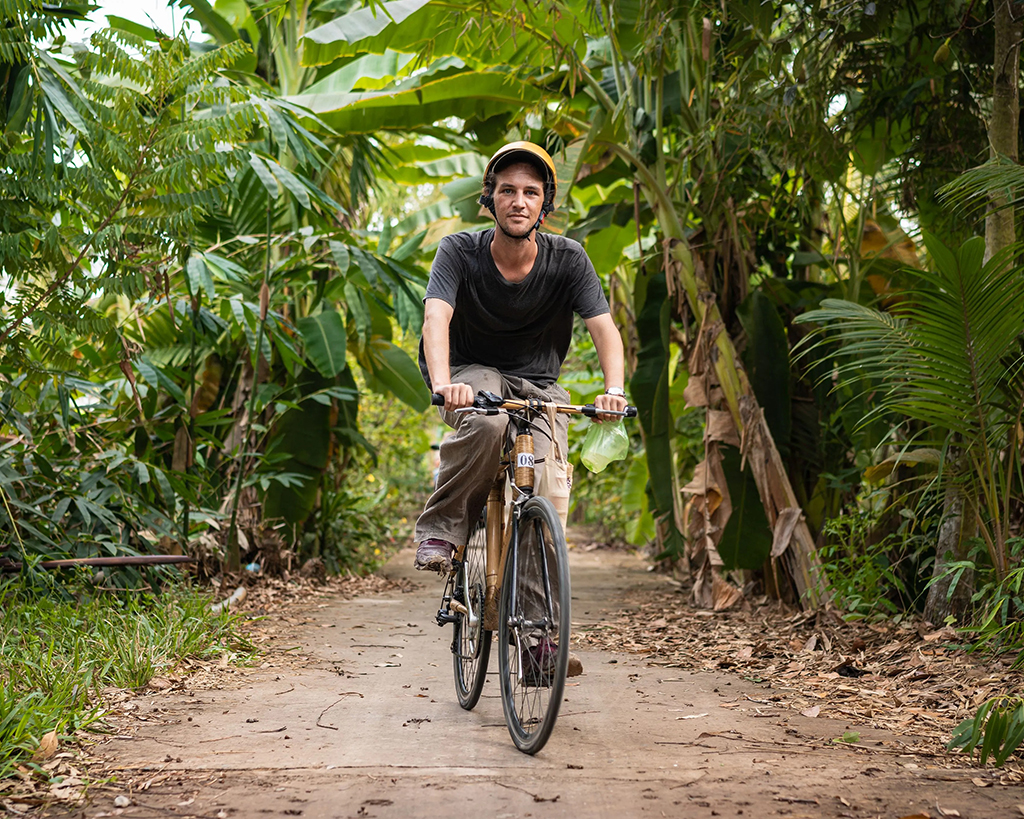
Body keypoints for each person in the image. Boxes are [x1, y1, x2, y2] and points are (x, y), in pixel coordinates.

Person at [414, 143, 627, 683]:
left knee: (547, 494)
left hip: (539, 383)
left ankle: (534, 639)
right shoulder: (459, 251)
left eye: (531, 192)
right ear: (489, 200)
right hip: (471, 372)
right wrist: (444, 385)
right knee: (487, 424)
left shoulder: (568, 258)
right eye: (507, 190)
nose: (518, 200)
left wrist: (614, 390)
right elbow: (436, 317)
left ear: (544, 204)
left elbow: (604, 327)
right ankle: (441, 529)